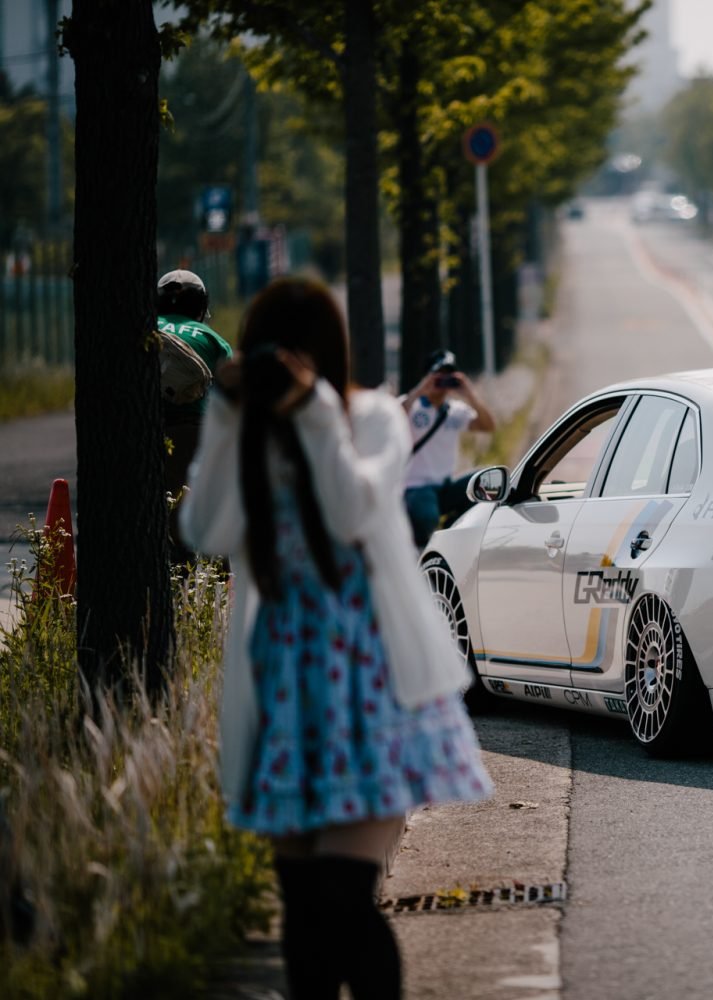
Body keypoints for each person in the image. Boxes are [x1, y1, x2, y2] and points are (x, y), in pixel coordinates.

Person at [178, 278, 492, 999]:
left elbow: (355, 510)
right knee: (302, 907)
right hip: (285, 680)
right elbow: (206, 533)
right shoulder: (247, 431)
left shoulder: (371, 417)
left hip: (371, 676)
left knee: (344, 900)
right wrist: (226, 421)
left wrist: (314, 410)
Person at [157, 269, 232, 545]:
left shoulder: (146, 328)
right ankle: (216, 580)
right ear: (201, 304)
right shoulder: (212, 339)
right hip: (193, 432)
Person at [400, 350, 496, 547]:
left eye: (448, 377)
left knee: (483, 481)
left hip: (444, 486)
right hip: (416, 488)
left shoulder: (454, 411)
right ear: (426, 377)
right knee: (427, 513)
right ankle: (426, 550)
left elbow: (488, 426)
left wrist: (469, 393)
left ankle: (454, 533)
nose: (443, 383)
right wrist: (421, 390)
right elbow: (394, 417)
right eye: (438, 376)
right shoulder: (412, 405)